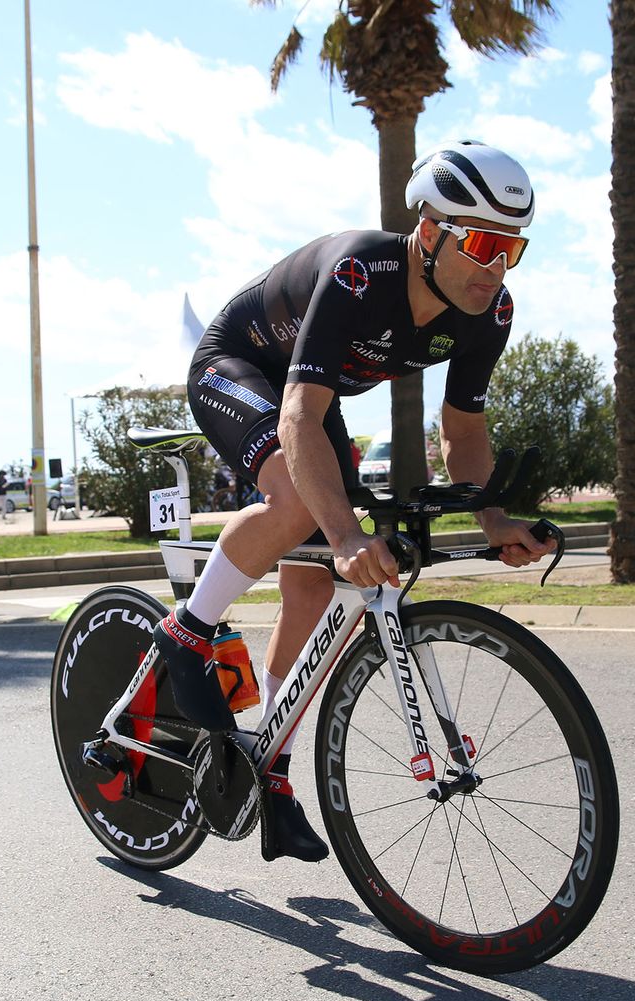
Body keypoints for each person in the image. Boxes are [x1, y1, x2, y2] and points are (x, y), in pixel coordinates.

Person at [153, 140, 555, 863]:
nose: (496, 269)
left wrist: (494, 519)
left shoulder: (487, 312)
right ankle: (187, 631)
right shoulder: (360, 274)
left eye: (512, 251)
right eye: (485, 244)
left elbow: (462, 427)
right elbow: (298, 421)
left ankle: (266, 760)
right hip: (241, 368)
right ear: (430, 232)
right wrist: (343, 533)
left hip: (312, 393)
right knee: (306, 513)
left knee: (312, 584)